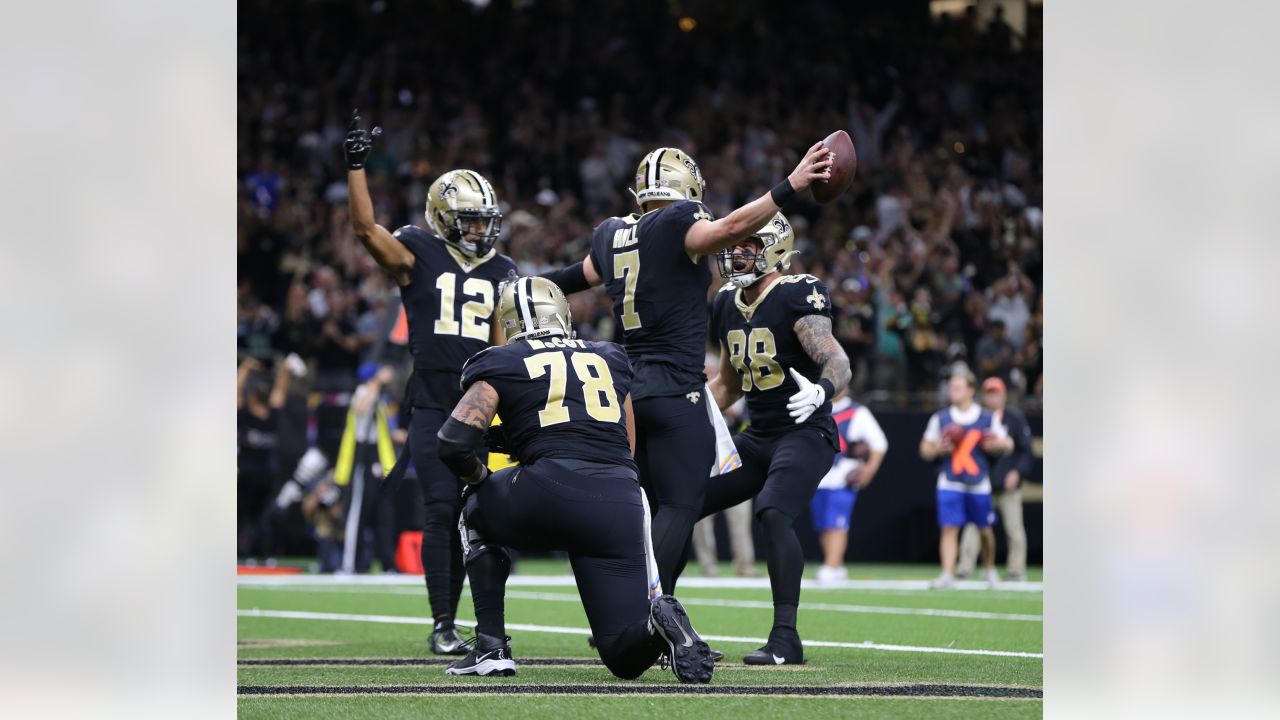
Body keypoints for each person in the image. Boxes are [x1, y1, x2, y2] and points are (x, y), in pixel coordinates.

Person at [538, 142, 835, 596]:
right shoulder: (680, 222)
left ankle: (625, 614)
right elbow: (730, 227)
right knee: (680, 504)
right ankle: (650, 613)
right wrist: (790, 185)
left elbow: (572, 279)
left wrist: (519, 288)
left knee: (644, 508)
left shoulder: (612, 233)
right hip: (677, 387)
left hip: (628, 392)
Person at [437, 277, 714, 683]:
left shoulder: (500, 361)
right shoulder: (610, 357)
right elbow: (626, 442)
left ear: (510, 323)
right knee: (623, 655)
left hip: (548, 488)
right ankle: (656, 628)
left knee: (473, 507)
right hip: (619, 498)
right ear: (563, 314)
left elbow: (452, 443)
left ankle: (490, 648)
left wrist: (482, 479)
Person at [344, 110, 517, 654]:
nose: (478, 228)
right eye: (467, 219)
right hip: (430, 399)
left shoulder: (501, 268)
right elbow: (365, 230)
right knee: (440, 508)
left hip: (479, 402)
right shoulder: (417, 250)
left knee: (478, 511)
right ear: (443, 217)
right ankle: (443, 624)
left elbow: (502, 345)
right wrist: (356, 168)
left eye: (483, 219)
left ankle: (476, 622)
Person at [700, 213, 852, 665]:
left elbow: (836, 359)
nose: (737, 253)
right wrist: (688, 406)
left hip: (806, 430)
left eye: (749, 245)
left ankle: (786, 638)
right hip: (758, 434)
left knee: (772, 510)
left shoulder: (797, 292)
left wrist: (823, 390)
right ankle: (652, 620)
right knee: (684, 500)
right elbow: (727, 383)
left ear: (774, 249)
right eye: (736, 245)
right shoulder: (726, 300)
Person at [919, 369, 1014, 589]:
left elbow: (1008, 443)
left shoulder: (987, 417)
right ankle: (947, 573)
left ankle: (989, 568)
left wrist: (997, 444)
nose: (953, 391)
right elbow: (924, 449)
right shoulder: (941, 417)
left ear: (971, 390)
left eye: (958, 387)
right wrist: (937, 449)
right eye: (951, 387)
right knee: (949, 527)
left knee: (984, 529)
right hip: (950, 480)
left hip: (978, 481)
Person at [957, 377, 1035, 581]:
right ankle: (965, 567)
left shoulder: (1014, 419)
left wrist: (1017, 472)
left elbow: (1026, 451)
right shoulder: (978, 418)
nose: (992, 398)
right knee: (974, 525)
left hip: (1008, 483)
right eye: (989, 393)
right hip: (982, 482)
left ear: (1004, 396)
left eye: (996, 393)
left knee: (1014, 528)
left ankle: (1016, 570)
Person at [811, 395, 888, 584]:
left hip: (842, 477)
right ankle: (836, 565)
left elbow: (879, 443)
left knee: (836, 524)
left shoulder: (857, 411)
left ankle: (830, 565)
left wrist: (868, 470)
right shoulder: (815, 407)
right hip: (818, 477)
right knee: (823, 525)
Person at [236, 355, 299, 560]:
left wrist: (245, 368)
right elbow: (279, 391)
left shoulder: (248, 414)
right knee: (255, 517)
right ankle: (258, 554)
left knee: (250, 517)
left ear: (253, 397)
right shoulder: (267, 415)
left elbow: (236, 391)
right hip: (261, 474)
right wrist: (286, 371)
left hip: (251, 474)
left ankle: (251, 554)